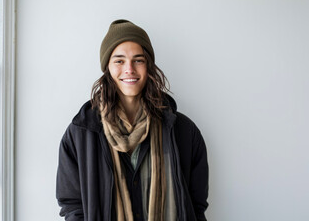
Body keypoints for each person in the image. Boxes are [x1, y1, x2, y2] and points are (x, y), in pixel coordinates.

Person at [56, 19, 209, 221]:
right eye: (119, 60)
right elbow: (72, 205)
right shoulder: (81, 132)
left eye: (138, 60)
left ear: (148, 66)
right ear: (107, 68)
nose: (129, 69)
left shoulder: (182, 131)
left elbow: (196, 205)